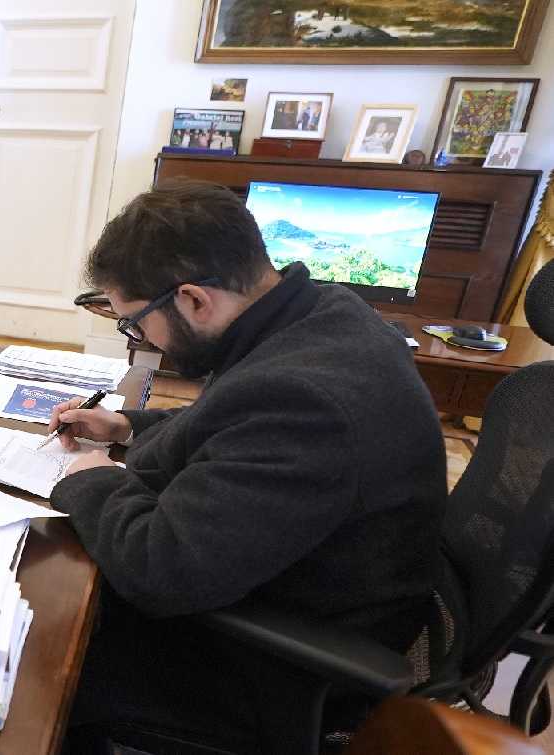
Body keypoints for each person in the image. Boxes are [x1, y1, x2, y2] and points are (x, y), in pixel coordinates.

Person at [47, 180, 446, 750]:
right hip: (287, 582)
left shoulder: (304, 400)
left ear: (192, 299)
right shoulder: (318, 316)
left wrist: (92, 481)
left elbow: (162, 571)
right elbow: (231, 426)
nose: (141, 338)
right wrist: (129, 428)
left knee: (41, 654)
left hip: (278, 665)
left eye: (134, 323)